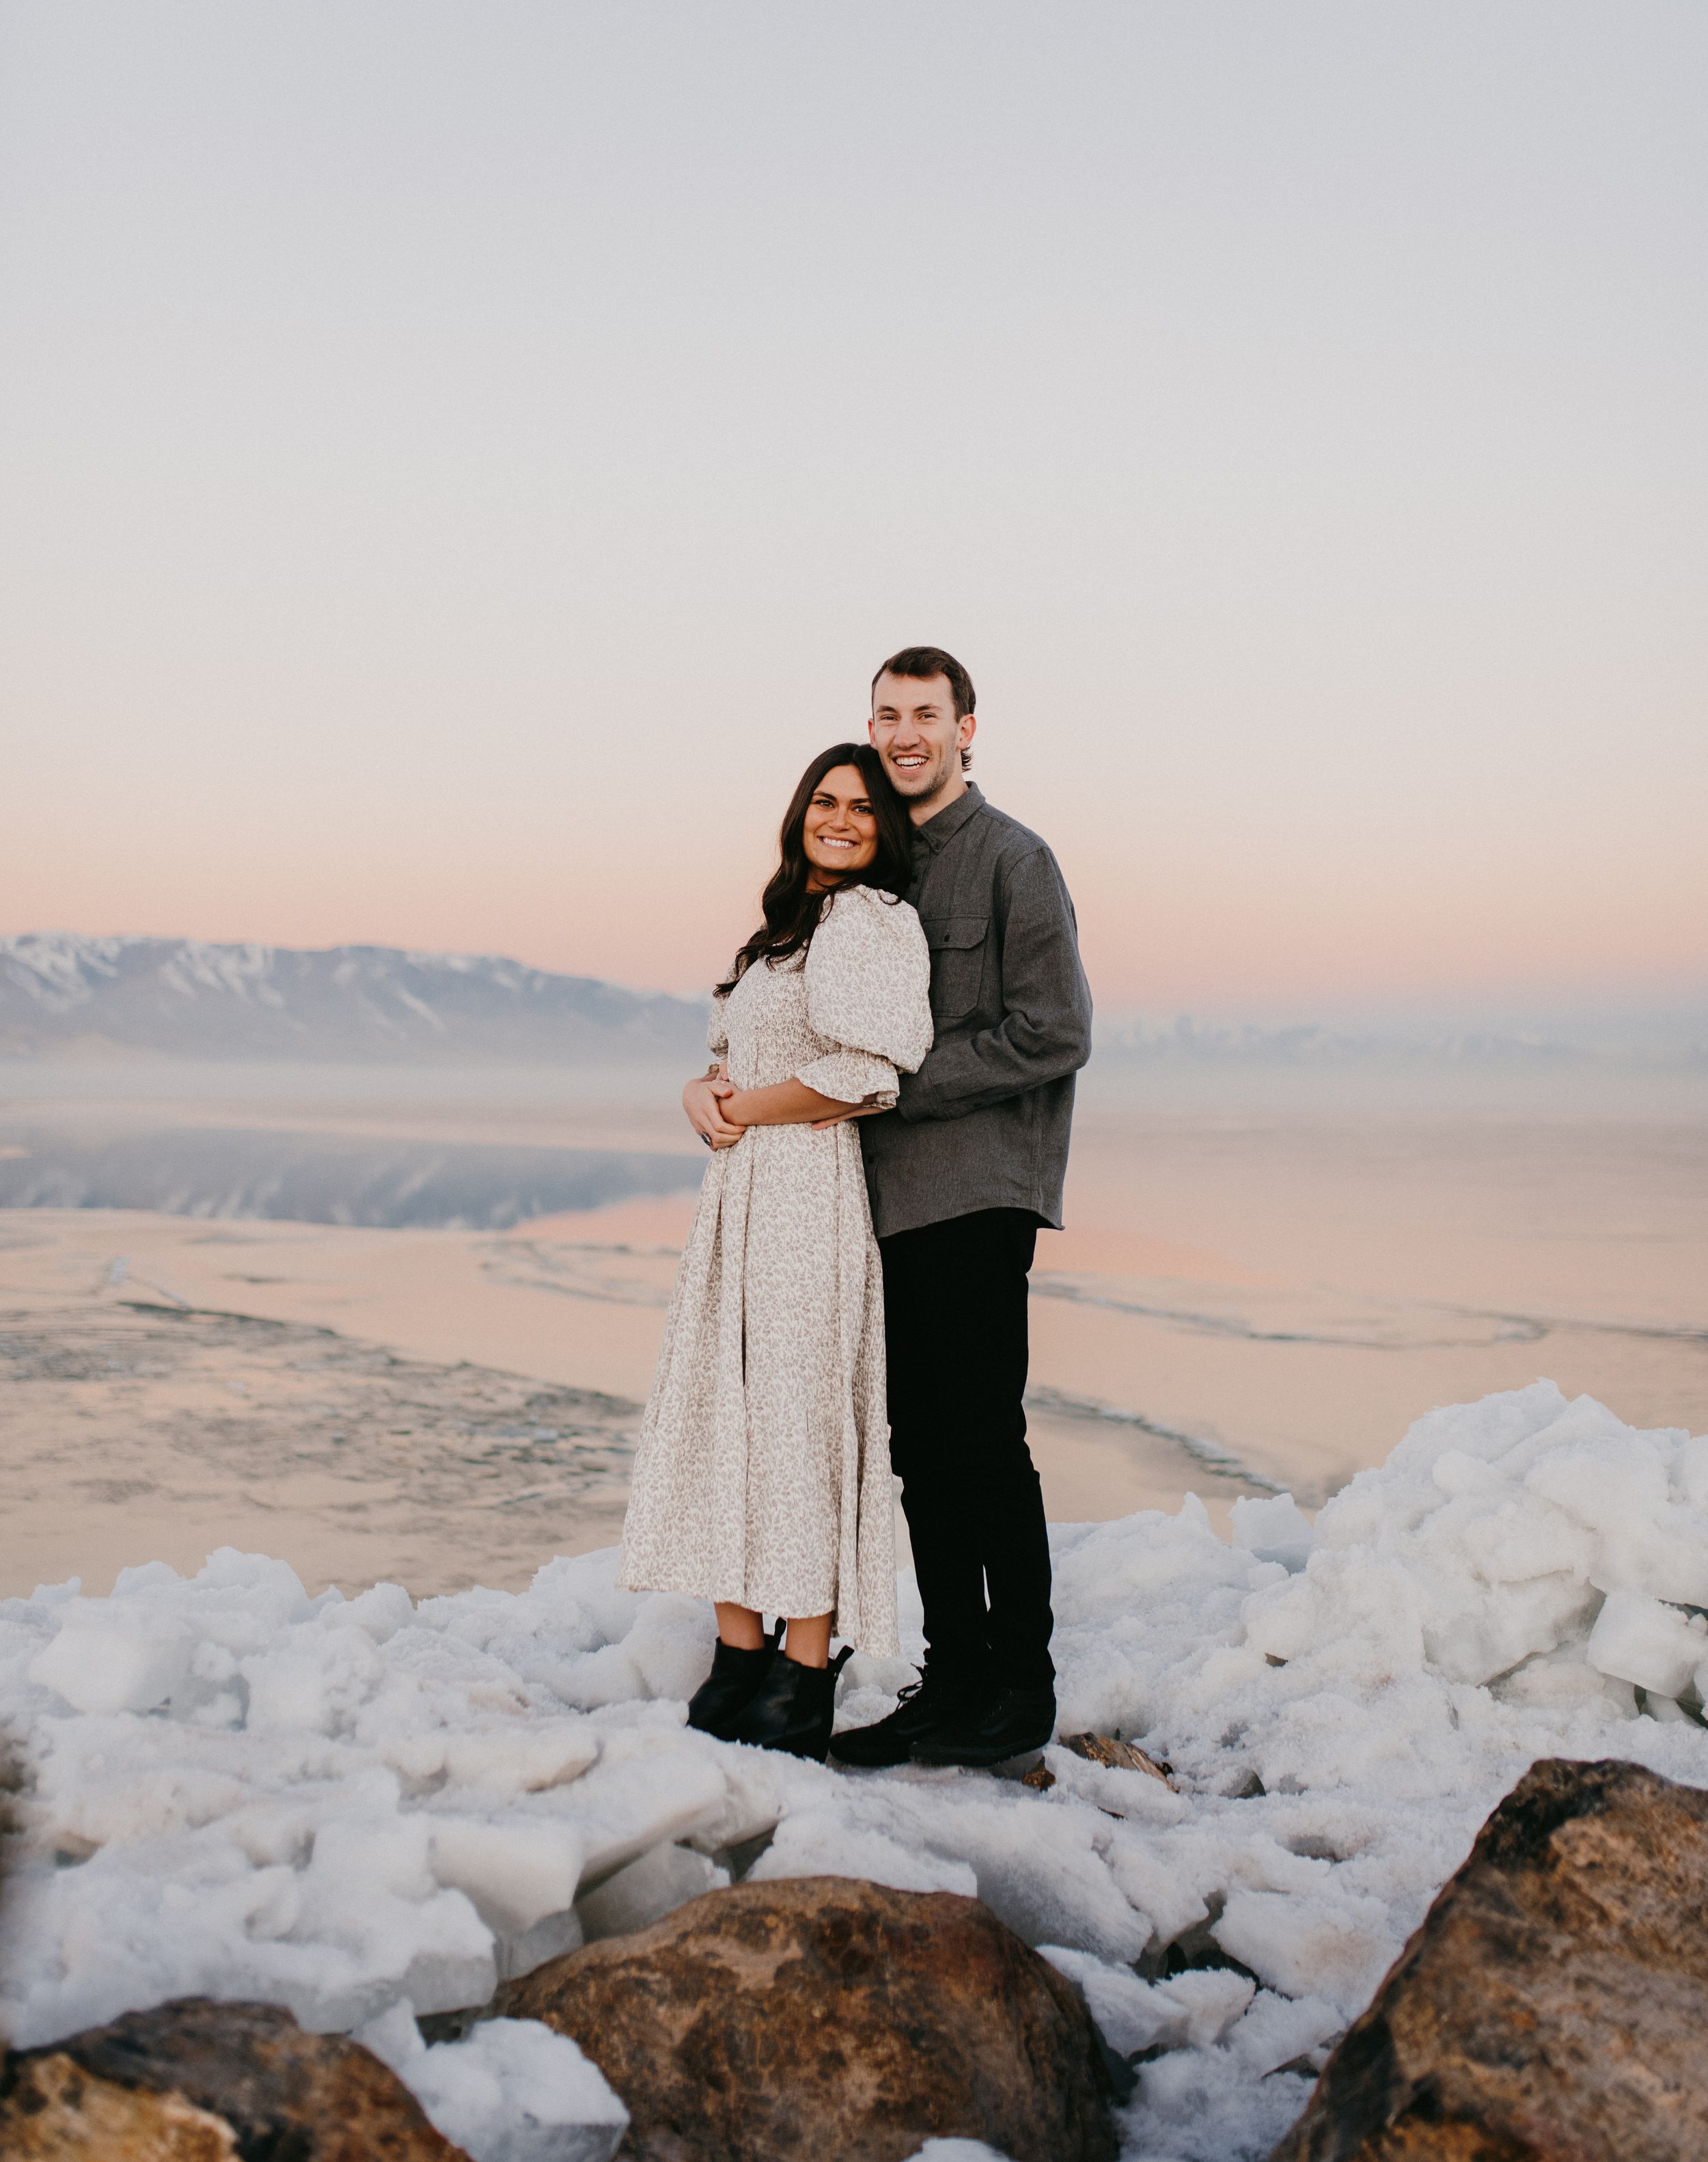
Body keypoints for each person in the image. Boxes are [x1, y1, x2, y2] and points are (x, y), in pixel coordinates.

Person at [618, 742, 931, 1762]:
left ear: (886, 830)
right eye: (824, 802)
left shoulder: (871, 922)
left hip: (807, 1191)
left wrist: (742, 1104)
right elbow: (732, 1057)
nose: (838, 819)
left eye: (862, 808)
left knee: (796, 1422)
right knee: (726, 1406)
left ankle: (805, 1665)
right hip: (741, 1197)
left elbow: (869, 1069)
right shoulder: (783, 932)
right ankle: (738, 1650)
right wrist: (697, 1090)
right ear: (800, 814)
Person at [826, 646, 1093, 1770]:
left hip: (981, 1189)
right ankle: (954, 1678)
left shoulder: (1013, 861)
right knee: (917, 1450)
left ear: (967, 728)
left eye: (924, 715)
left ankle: (1018, 1689)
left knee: (982, 1440)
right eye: (887, 715)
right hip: (886, 1202)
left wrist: (900, 1083)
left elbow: (1055, 1029)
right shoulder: (873, 870)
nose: (903, 735)